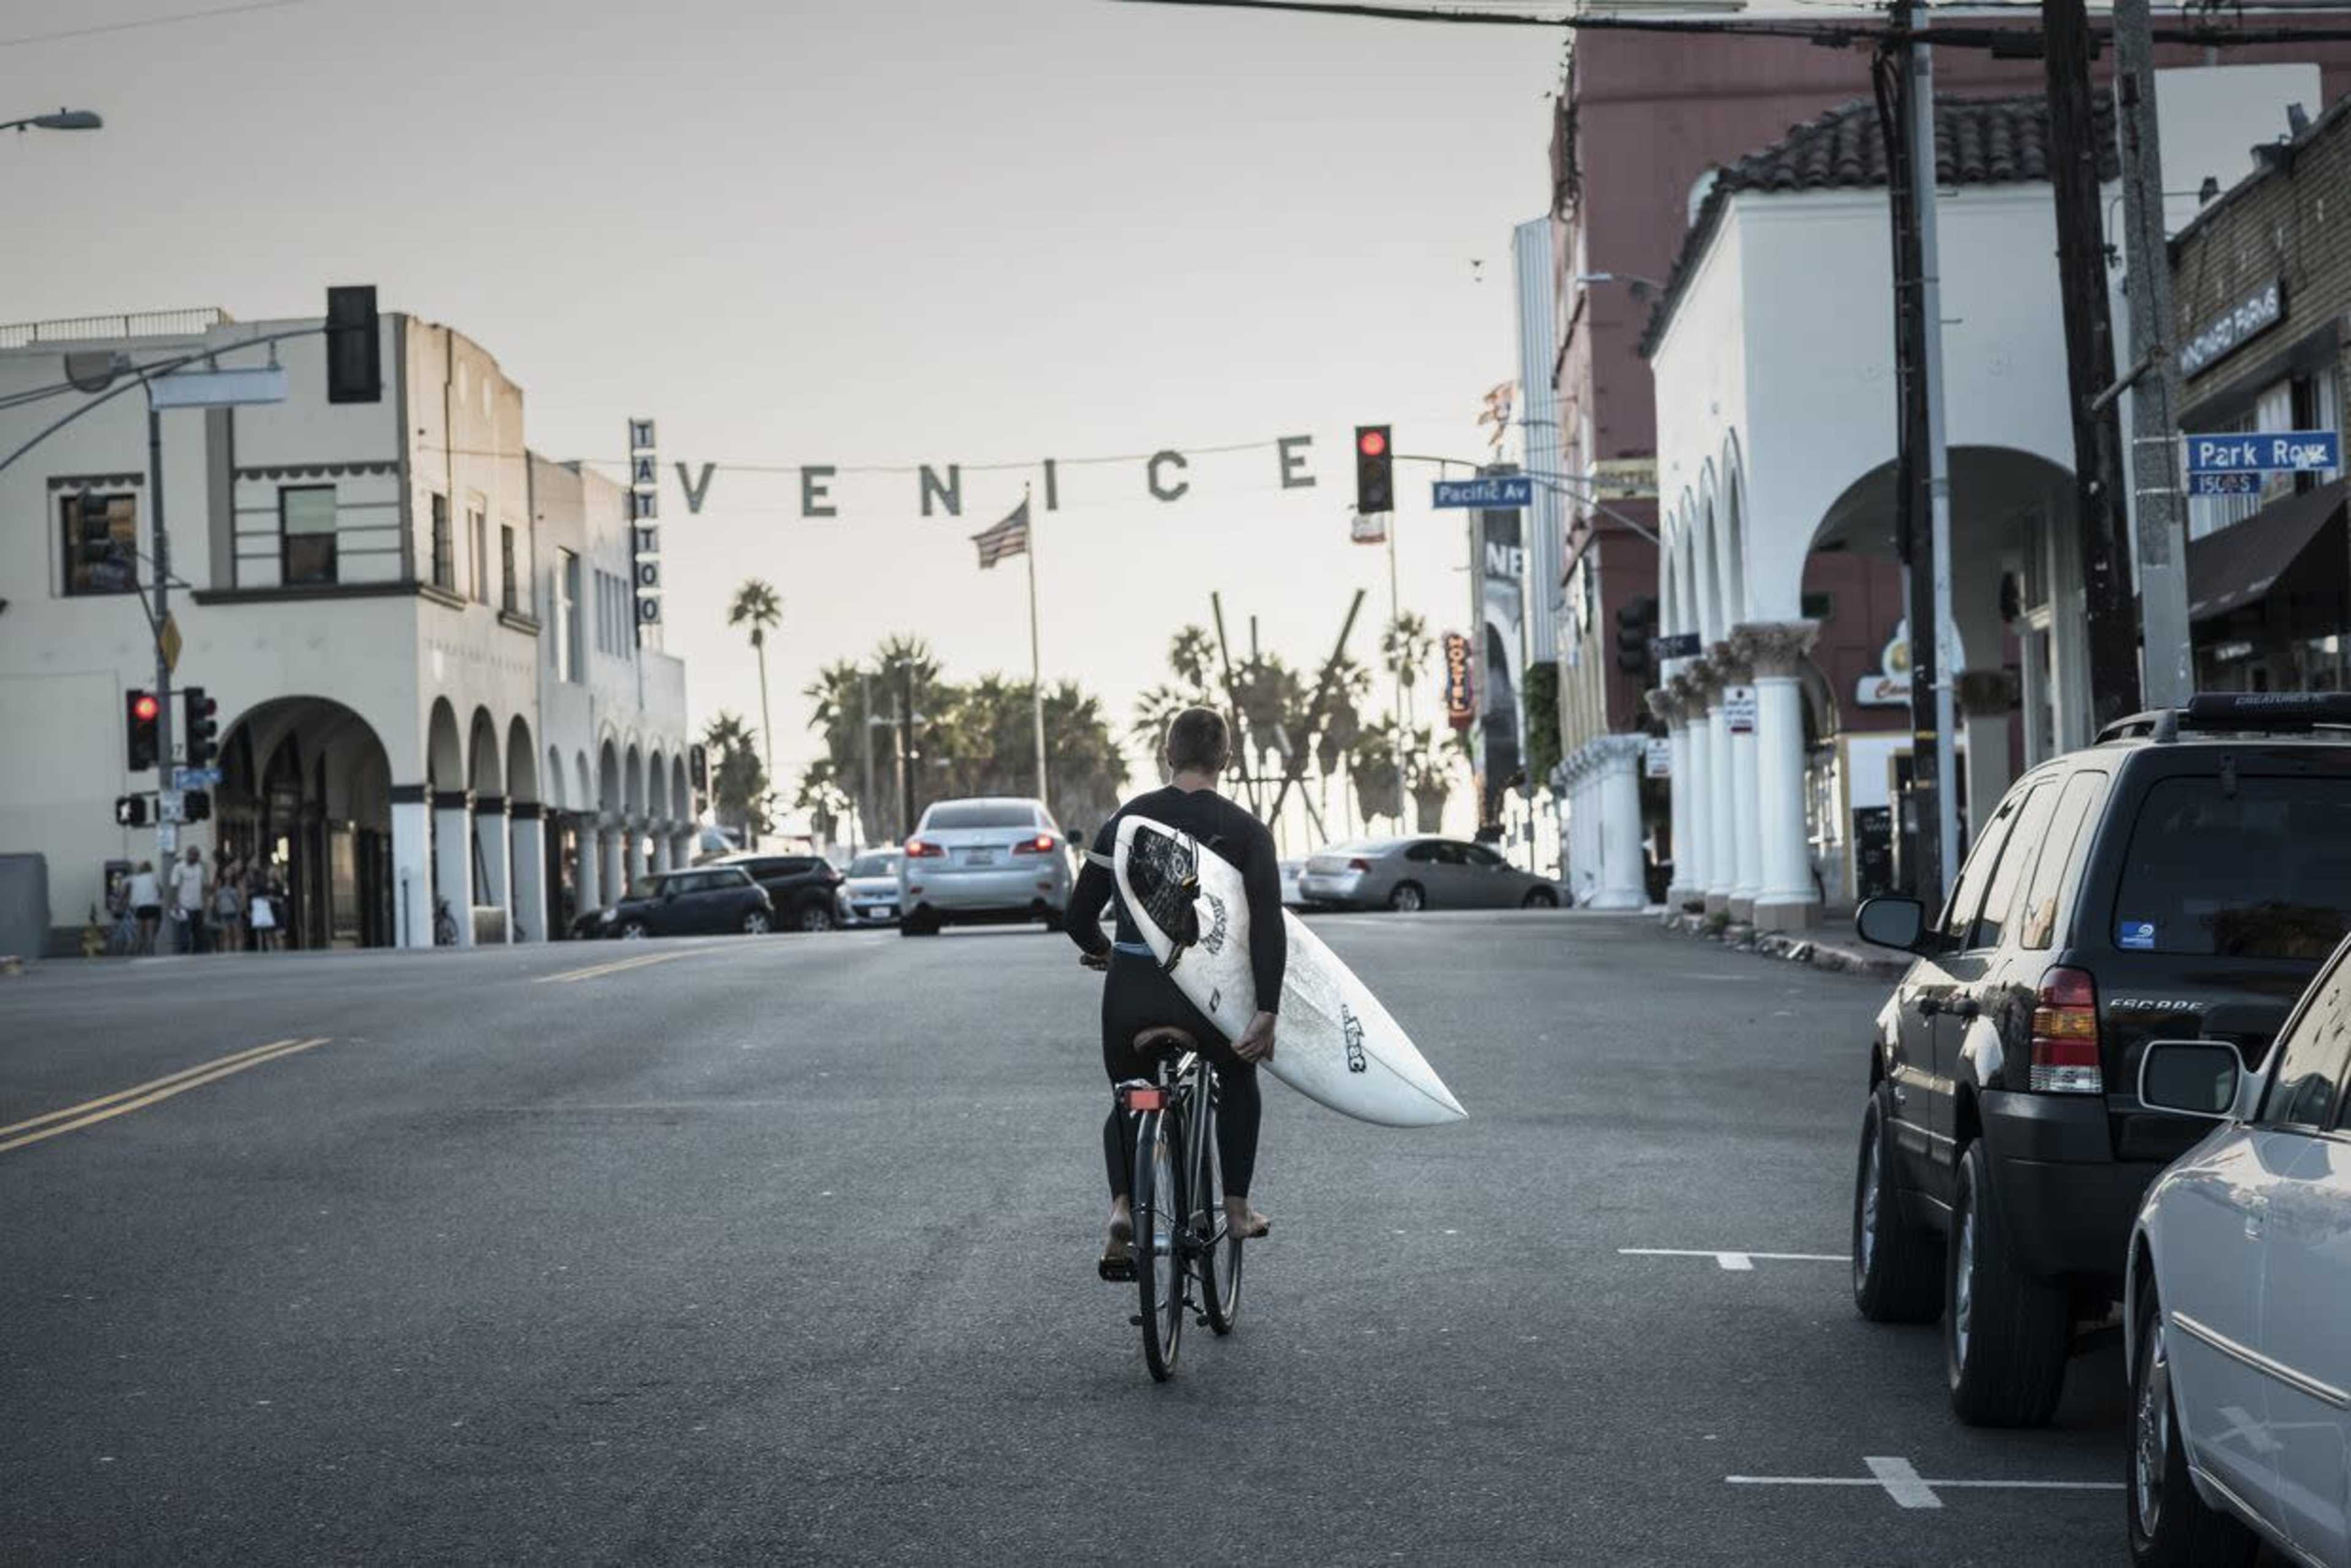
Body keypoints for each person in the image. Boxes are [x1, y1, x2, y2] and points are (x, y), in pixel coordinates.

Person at [1065, 706, 1283, 1272]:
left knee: (1129, 1093)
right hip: (1204, 1003)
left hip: (1132, 996)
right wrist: (1267, 1010)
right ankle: (1236, 1209)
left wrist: (1110, 953)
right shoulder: (1246, 831)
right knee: (1238, 1074)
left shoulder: (1127, 821)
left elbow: (1078, 917)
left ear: (1167, 754)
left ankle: (1122, 1208)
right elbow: (1268, 926)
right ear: (1225, 761)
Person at [168, 846, 209, 954]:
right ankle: (184, 955)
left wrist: (206, 904)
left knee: (199, 935)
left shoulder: (200, 867)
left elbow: (204, 887)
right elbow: (174, 887)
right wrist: (175, 903)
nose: (197, 858)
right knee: (184, 934)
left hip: (198, 906)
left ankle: (198, 955)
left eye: (198, 856)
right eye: (195, 856)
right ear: (189, 855)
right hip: (184, 906)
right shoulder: (179, 867)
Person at [212, 852, 247, 955]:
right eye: (226, 870)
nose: (227, 872)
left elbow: (243, 895)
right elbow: (215, 896)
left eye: (230, 870)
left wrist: (242, 907)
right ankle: (227, 953)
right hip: (223, 911)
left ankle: (238, 952)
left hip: (235, 911)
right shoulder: (219, 883)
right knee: (226, 933)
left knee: (237, 933)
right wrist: (216, 906)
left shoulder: (237, 882)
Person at [126, 860, 162, 955]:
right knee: (150, 933)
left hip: (140, 907)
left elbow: (126, 889)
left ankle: (138, 953)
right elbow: (160, 891)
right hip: (152, 906)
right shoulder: (154, 877)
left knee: (139, 933)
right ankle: (150, 952)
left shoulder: (134, 879)